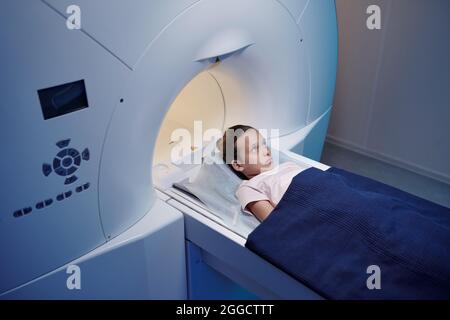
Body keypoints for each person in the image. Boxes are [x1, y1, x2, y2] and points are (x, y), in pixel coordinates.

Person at [221, 125, 310, 221]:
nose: (266, 151)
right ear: (238, 165)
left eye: (264, 144)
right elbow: (276, 222)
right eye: (255, 149)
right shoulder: (250, 187)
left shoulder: (288, 165)